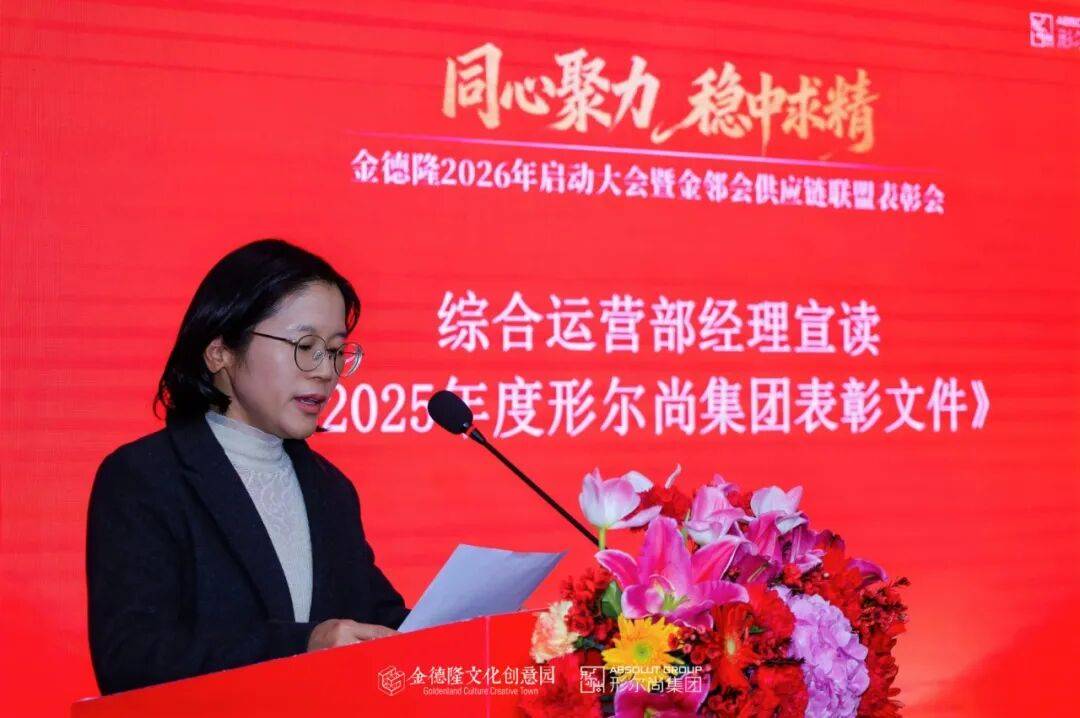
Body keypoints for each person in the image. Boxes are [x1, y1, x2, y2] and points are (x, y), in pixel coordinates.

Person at [86, 238, 408, 694]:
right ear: (220, 352)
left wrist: (481, 621)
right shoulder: (145, 478)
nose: (325, 371)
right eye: (305, 345)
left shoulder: (331, 489)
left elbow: (380, 621)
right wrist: (302, 645)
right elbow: (131, 658)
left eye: (336, 350)